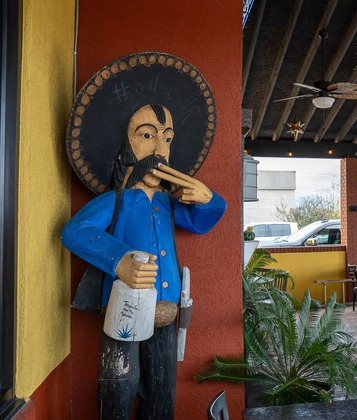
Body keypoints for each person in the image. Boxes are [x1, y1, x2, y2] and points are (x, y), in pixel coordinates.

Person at [61, 52, 224, 419]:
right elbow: (74, 231)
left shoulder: (168, 204)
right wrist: (119, 260)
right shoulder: (115, 200)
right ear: (124, 144)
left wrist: (209, 198)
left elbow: (202, 222)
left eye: (166, 138)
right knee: (119, 386)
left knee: (163, 392)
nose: (160, 149)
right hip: (125, 310)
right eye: (147, 135)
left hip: (167, 312)